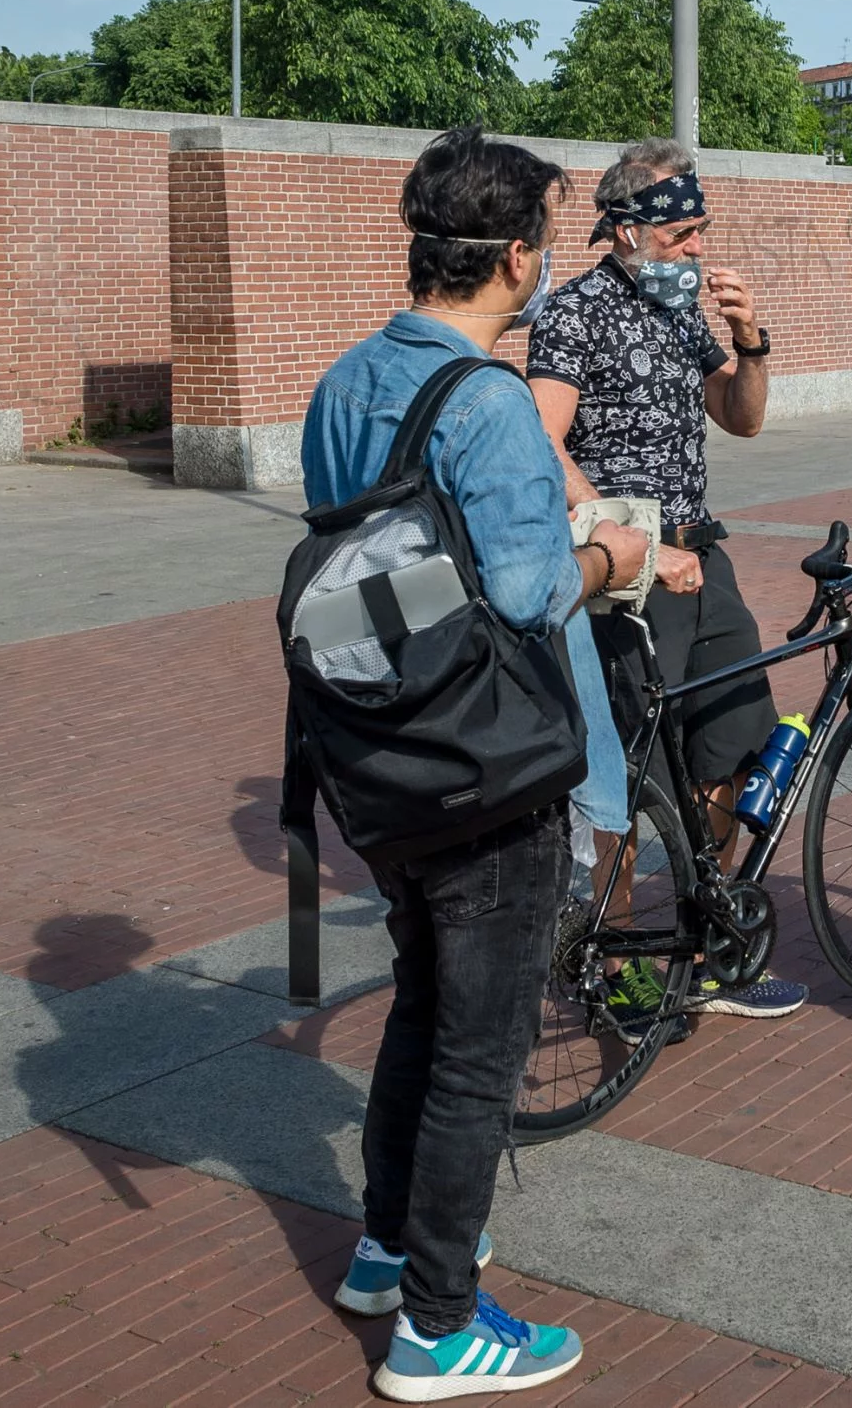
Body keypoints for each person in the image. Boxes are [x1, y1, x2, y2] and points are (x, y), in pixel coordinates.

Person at [302, 127, 653, 1400]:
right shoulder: (489, 401)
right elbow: (527, 592)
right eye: (544, 251)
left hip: (380, 758)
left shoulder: (345, 381)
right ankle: (438, 1328)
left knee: (422, 1005)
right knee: (480, 1044)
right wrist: (614, 553)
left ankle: (388, 1249)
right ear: (516, 258)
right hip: (486, 766)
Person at [527, 137, 807, 1024]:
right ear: (625, 230)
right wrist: (614, 532)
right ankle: (616, 967)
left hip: (703, 558)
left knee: (728, 744)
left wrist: (748, 339)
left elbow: (745, 418)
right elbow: (541, 437)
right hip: (628, 573)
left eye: (701, 230)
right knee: (624, 772)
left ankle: (710, 940)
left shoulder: (683, 308)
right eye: (683, 232)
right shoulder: (575, 313)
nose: (698, 249)